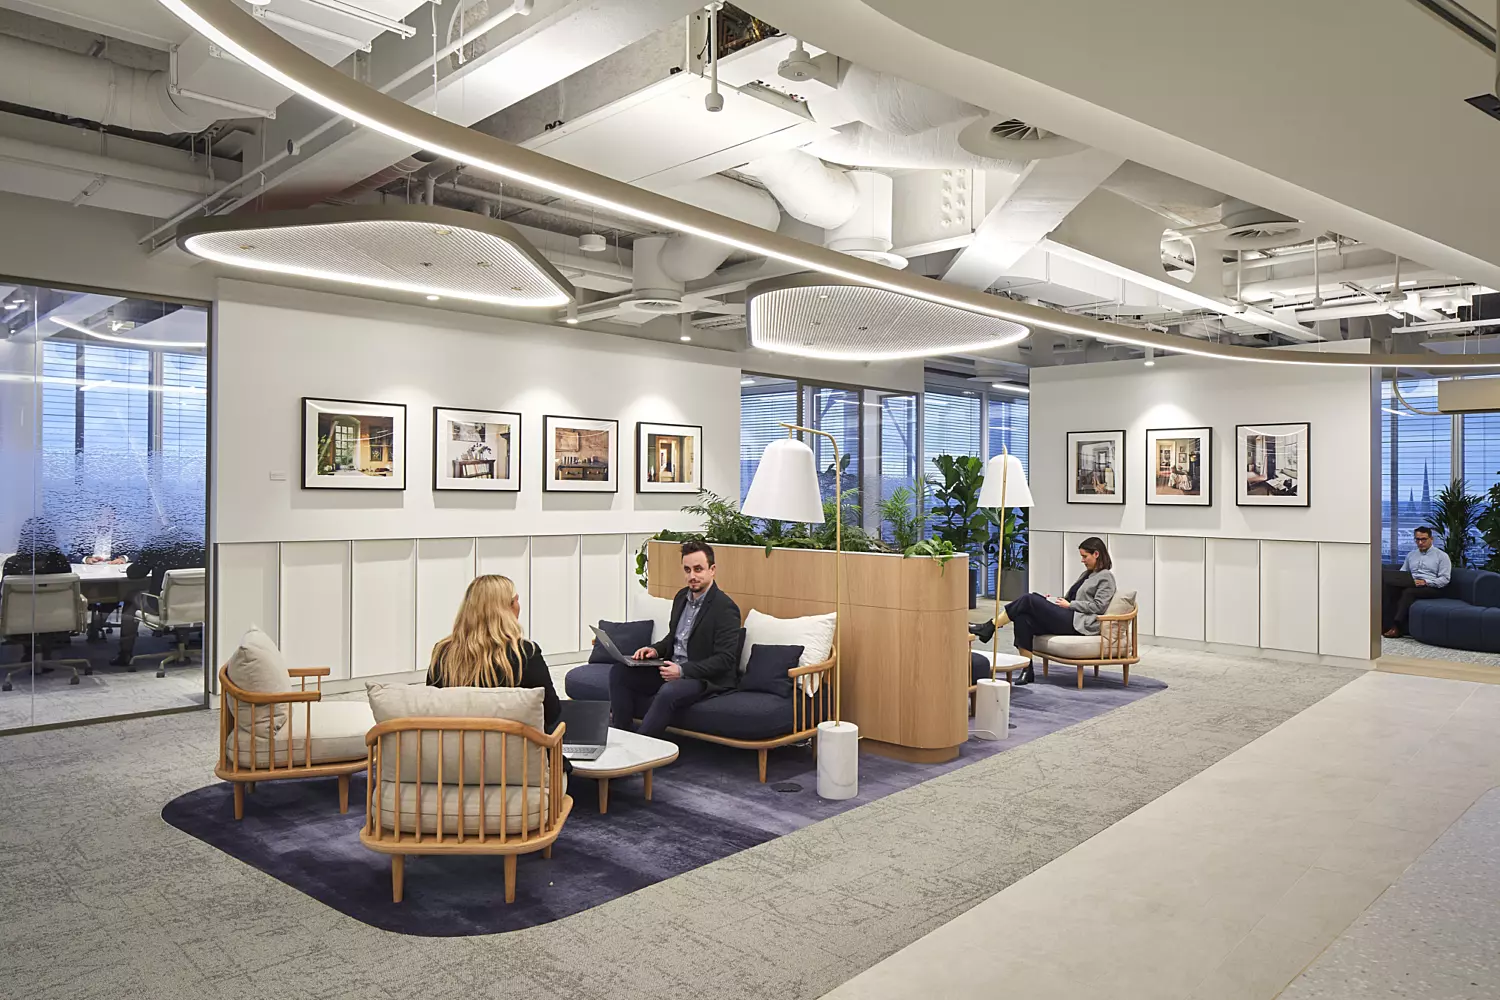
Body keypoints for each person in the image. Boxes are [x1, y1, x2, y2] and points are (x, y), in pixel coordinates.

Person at [609, 539, 742, 737]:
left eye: (698, 569)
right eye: (687, 570)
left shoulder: (725, 608)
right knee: (620, 672)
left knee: (669, 691)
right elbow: (673, 638)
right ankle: (622, 736)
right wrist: (654, 650)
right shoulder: (681, 597)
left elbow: (724, 660)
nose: (692, 576)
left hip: (703, 678)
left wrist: (682, 670)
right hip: (671, 668)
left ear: (712, 569)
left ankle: (640, 752)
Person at [426, 574, 560, 732]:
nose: (519, 606)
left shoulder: (443, 652)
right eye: (516, 600)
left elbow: (433, 708)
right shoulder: (524, 653)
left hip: (456, 752)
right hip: (515, 753)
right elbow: (552, 713)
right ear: (506, 608)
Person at [990, 536, 1117, 685]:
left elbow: (1099, 607)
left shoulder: (1106, 577)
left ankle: (991, 626)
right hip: (1069, 615)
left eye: (1085, 556)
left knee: (1029, 599)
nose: (1082, 560)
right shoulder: (1087, 574)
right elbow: (1071, 598)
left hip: (1080, 623)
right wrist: (1054, 601)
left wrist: (1070, 605)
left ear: (1096, 554)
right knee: (1023, 618)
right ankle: (1027, 670)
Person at [110, 524, 204, 668]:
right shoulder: (201, 545)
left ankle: (125, 653)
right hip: (198, 605)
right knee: (179, 599)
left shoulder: (157, 546)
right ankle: (183, 645)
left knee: (131, 597)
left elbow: (134, 574)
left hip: (161, 607)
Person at [1382, 526, 1451, 638]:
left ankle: (1397, 627)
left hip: (1431, 587)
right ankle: (1385, 625)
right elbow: (1403, 572)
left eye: (1423, 539)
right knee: (1389, 587)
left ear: (1431, 539)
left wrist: (1425, 582)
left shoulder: (1442, 556)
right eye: (1417, 539)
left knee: (1409, 592)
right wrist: (1398, 580)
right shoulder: (1411, 555)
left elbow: (1444, 579)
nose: (1420, 542)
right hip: (1412, 583)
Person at [2, 517, 71, 577]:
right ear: (51, 538)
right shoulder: (61, 562)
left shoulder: (12, 564)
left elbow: (4, 591)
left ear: (24, 539)